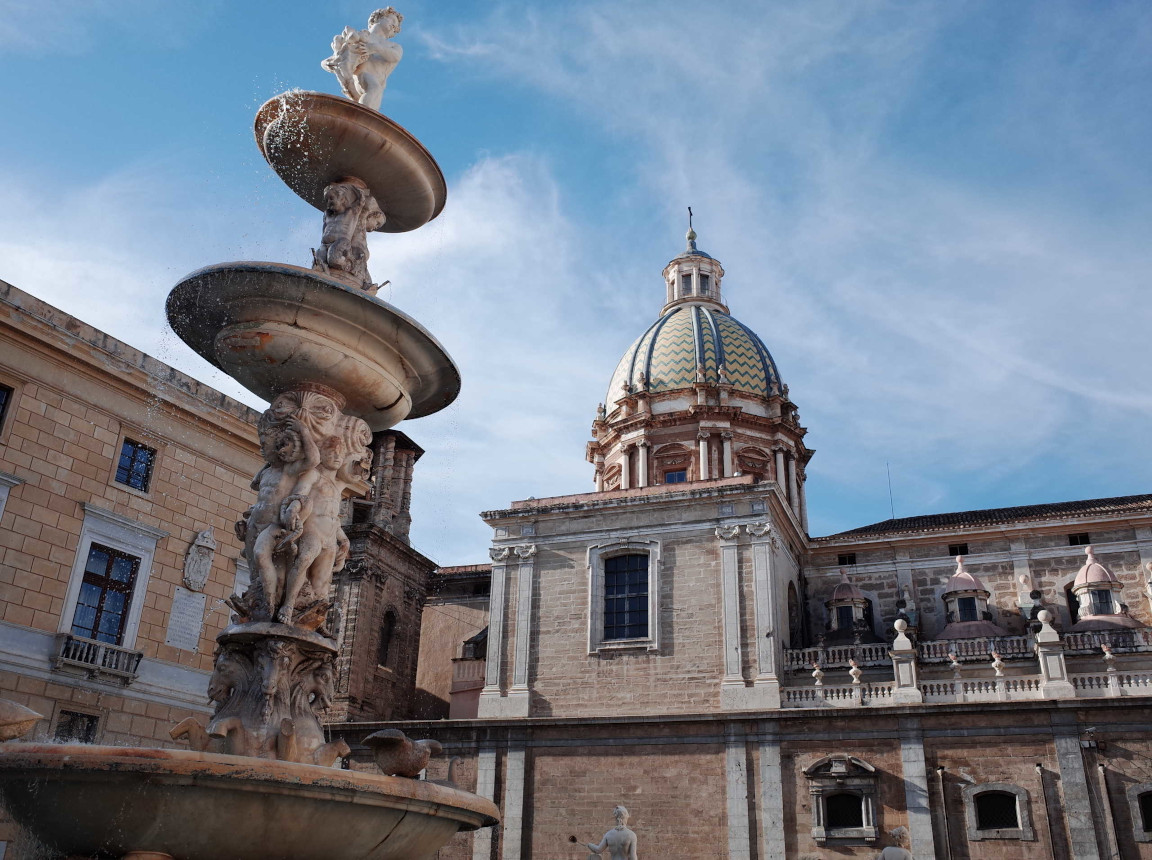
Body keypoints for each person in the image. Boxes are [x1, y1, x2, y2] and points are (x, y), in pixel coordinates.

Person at [322, 8, 404, 111]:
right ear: (378, 18)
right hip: (361, 78)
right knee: (374, 89)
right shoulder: (361, 36)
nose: (394, 26)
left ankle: (361, 119)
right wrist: (336, 59)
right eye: (391, 20)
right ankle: (361, 117)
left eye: (396, 27)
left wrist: (376, 48)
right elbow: (328, 62)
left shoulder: (393, 46)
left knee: (374, 101)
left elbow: (396, 56)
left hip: (375, 88)